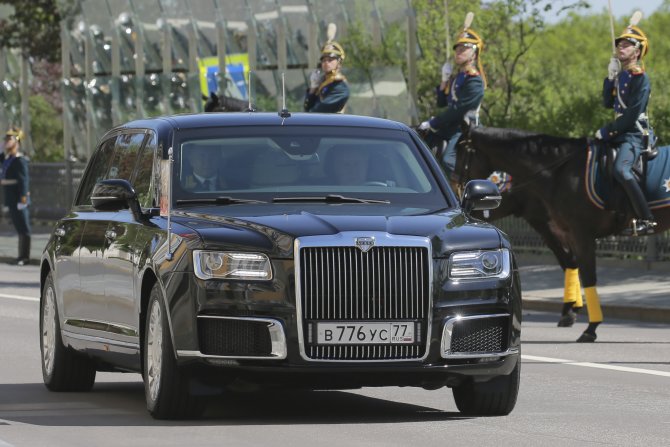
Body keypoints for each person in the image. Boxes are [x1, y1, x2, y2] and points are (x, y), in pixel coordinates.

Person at [594, 25, 656, 235]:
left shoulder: (641, 78)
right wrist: (609, 78)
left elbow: (631, 115)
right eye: (619, 45)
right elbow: (606, 103)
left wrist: (608, 130)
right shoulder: (621, 76)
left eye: (626, 45)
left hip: (634, 134)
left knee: (621, 169)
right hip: (621, 132)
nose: (621, 47)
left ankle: (647, 220)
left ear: (637, 52)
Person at [419, 27, 486, 180]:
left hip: (466, 127)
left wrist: (434, 122)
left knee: (449, 160)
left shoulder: (475, 81)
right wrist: (444, 79)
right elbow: (441, 102)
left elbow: (459, 110)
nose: (458, 52)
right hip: (451, 125)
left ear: (474, 54)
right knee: (422, 145)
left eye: (464, 49)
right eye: (458, 49)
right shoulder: (458, 77)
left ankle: (463, 194)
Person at [0, 127, 31, 265]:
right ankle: (20, 256)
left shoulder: (20, 160)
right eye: (5, 139)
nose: (6, 141)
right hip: (11, 198)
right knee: (19, 228)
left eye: (9, 139)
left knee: (24, 228)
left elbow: (24, 181)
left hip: (19, 199)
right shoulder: (8, 159)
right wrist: (2, 146)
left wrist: (23, 199)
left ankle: (24, 257)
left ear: (16, 142)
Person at [304, 41, 349, 113]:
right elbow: (307, 107)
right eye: (324, 60)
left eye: (330, 60)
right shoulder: (323, 82)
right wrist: (313, 88)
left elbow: (319, 110)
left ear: (339, 63)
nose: (326, 63)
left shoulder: (341, 86)